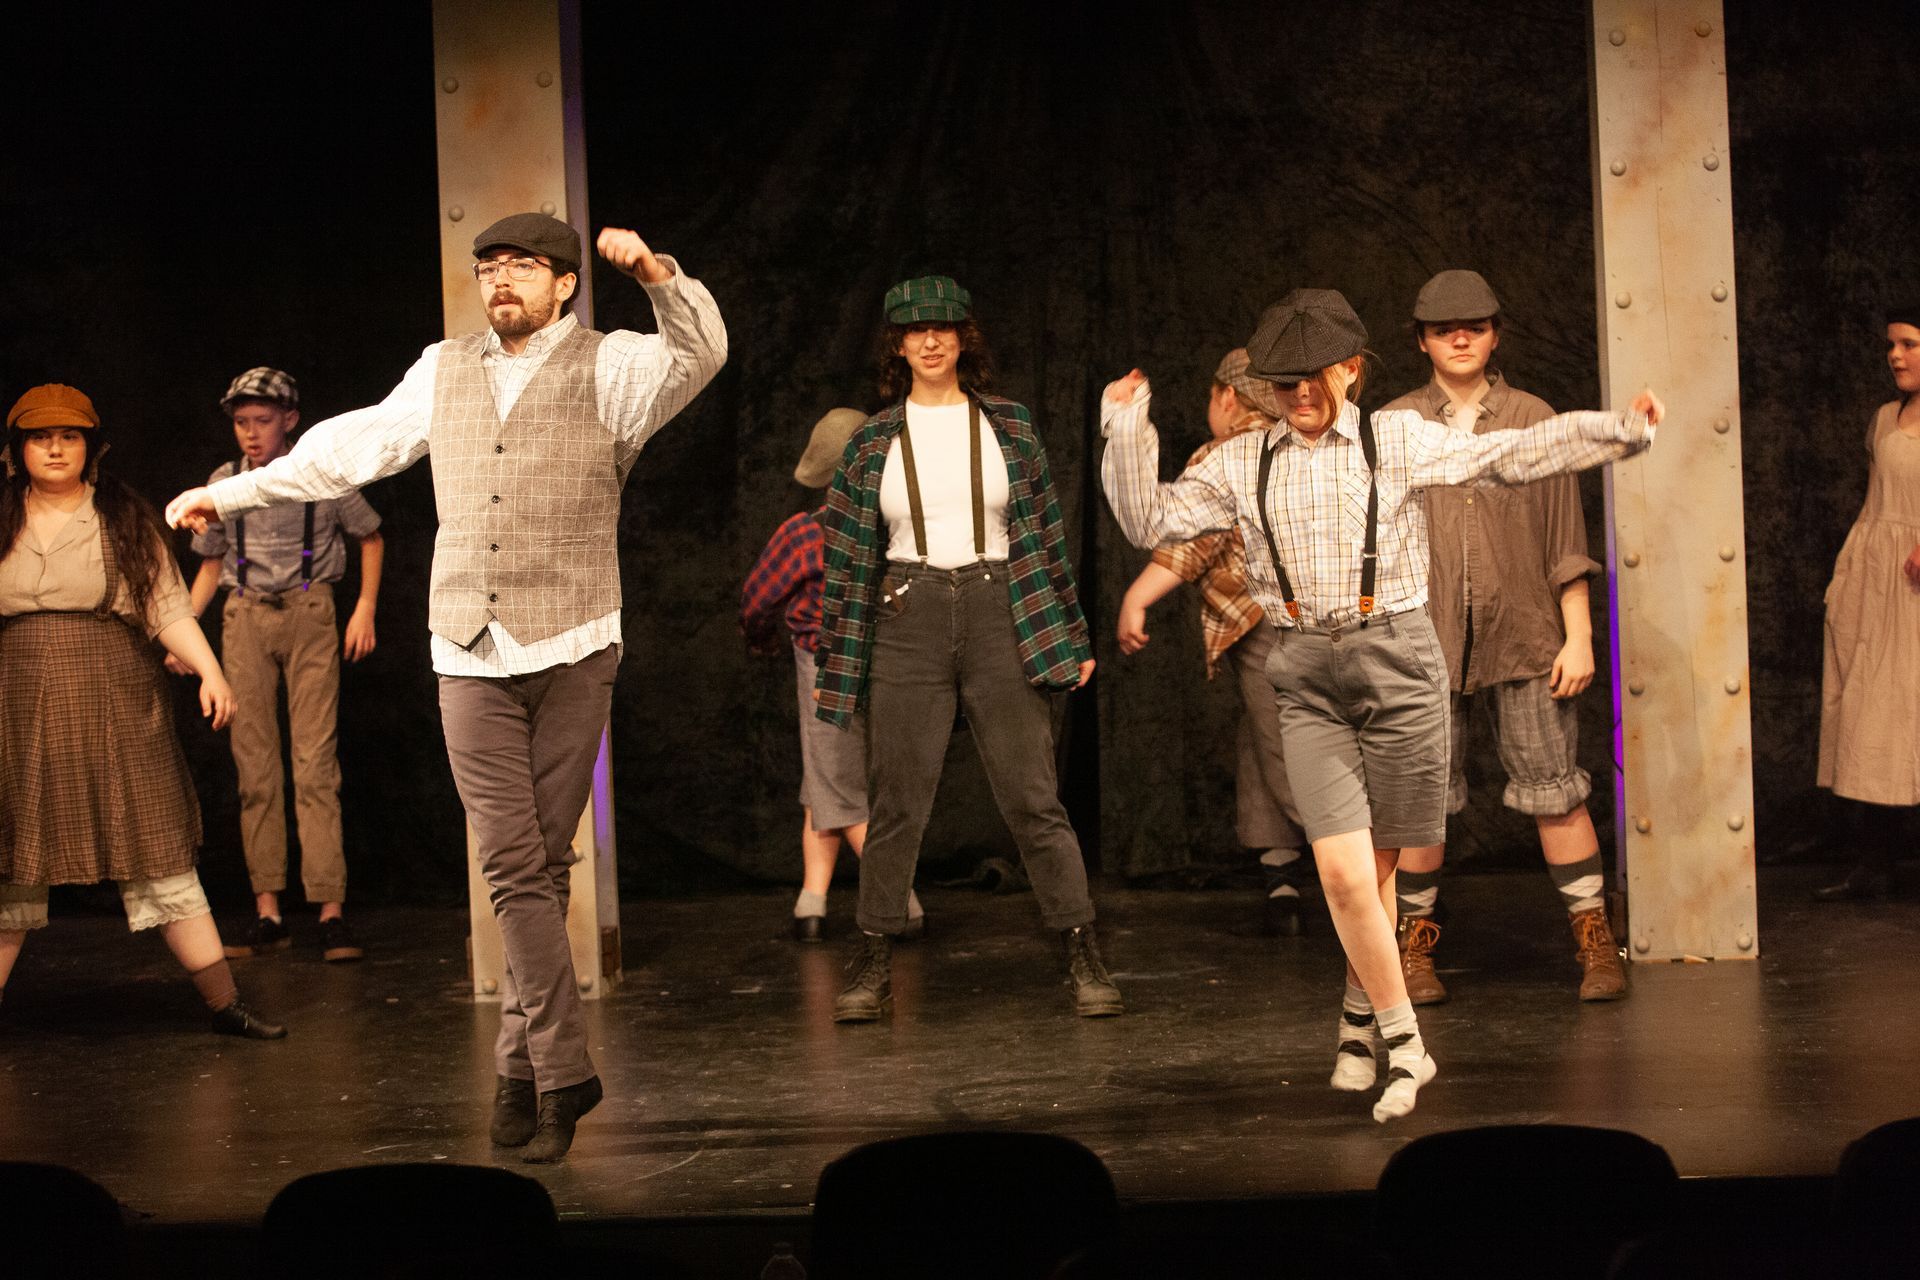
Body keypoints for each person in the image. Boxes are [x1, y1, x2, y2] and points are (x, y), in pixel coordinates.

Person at [166, 213, 727, 1161]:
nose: (500, 279)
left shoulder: (612, 366)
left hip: (574, 641)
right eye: (489, 266)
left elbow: (700, 353)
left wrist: (657, 275)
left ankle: (517, 1067)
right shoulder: (444, 367)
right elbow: (348, 448)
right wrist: (228, 493)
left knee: (540, 868)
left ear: (564, 284)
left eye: (523, 266)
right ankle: (566, 1069)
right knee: (511, 864)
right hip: (467, 647)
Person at [1101, 289, 1662, 1121]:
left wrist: (1623, 429)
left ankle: (1357, 1022)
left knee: (1381, 870)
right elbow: (1149, 518)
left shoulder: (1394, 438)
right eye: (1283, 382)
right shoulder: (1237, 463)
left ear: (1351, 370)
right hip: (1304, 671)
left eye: (1314, 377)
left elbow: (1510, 454)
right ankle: (1406, 1044)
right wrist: (1125, 427)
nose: (1300, 395)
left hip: (1396, 664)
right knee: (1339, 870)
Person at [814, 275, 1121, 1023]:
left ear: (962, 339)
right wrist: (834, 662)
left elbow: (1044, 534)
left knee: (1032, 796)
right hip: (907, 611)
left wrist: (1072, 630)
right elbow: (846, 562)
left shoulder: (1008, 425)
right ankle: (873, 961)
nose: (930, 341)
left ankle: (1081, 951)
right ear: (897, 345)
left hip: (997, 606)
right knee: (896, 803)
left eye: (943, 329)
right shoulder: (871, 441)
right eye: (915, 331)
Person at [0, 383, 285, 1040]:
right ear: (18, 450)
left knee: (157, 852)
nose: (55, 449)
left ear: (91, 448)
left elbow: (166, 607)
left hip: (116, 698)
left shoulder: (122, 518)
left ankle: (224, 1004)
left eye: (69, 437)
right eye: (40, 438)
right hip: (17, 700)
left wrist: (210, 670)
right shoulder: (2, 516)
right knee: (12, 863)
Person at [1377, 271, 1625, 1003]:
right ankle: (1413, 948)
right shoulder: (1393, 425)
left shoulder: (1532, 416)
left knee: (1556, 790)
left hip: (1524, 634)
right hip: (1423, 644)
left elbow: (1564, 540)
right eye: (1444, 329)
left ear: (1495, 335)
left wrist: (1579, 637)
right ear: (1421, 340)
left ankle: (1595, 940)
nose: (1461, 339)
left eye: (1476, 327)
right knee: (1421, 803)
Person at [173, 367, 384, 963]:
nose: (250, 432)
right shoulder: (224, 482)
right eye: (241, 422)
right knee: (255, 767)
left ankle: (330, 910)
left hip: (309, 610)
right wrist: (182, 631)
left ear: (289, 420)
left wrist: (364, 608)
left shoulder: (318, 472)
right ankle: (267, 911)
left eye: (262, 421)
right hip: (245, 615)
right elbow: (211, 563)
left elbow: (369, 535)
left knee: (315, 764)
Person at [1114, 349, 1311, 936]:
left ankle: (1373, 877)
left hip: (1273, 627)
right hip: (1313, 624)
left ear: (1228, 396)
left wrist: (1137, 597)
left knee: (1291, 751)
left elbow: (1192, 542)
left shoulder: (1227, 455)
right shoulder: (1309, 446)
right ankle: (1281, 868)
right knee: (1264, 737)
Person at [740, 407, 921, 941]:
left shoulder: (804, 534)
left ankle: (902, 903)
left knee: (839, 786)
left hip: (825, 666)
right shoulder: (902, 535)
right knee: (828, 778)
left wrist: (761, 639)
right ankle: (812, 903)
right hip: (892, 663)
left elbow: (756, 599)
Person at [1814, 306, 1920, 900]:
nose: (1895, 356)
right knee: (1873, 716)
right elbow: (1877, 500)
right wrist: (1847, 572)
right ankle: (1873, 863)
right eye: (1891, 345)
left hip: (1916, 589)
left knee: (1912, 711)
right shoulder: (1884, 417)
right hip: (1877, 581)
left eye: (1909, 344)